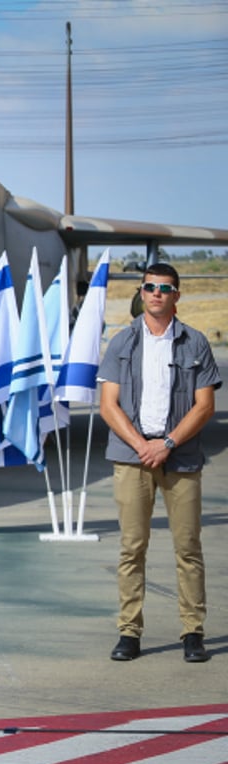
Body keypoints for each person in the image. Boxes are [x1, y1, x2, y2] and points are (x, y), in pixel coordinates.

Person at [98, 262, 220, 663]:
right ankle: (129, 633)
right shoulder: (122, 342)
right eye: (150, 287)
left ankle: (192, 632)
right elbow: (108, 405)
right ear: (141, 292)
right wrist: (142, 445)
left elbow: (205, 406)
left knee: (188, 548)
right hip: (132, 460)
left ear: (176, 296)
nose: (156, 294)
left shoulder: (195, 343)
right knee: (133, 547)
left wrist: (166, 443)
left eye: (165, 288)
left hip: (180, 457)